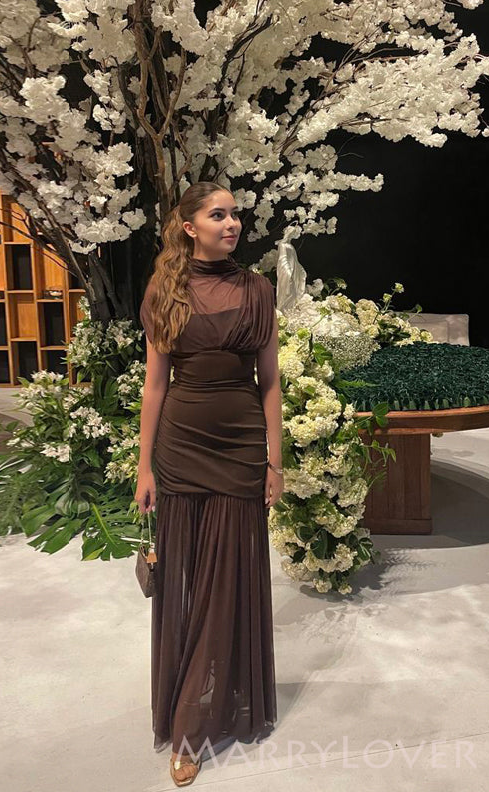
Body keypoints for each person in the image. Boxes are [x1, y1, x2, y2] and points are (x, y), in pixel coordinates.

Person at [135, 181, 283, 787]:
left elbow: (270, 382)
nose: (232, 224)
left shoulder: (257, 290)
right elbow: (155, 386)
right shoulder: (164, 290)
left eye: (235, 215)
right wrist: (144, 466)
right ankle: (194, 704)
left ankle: (193, 724)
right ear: (189, 226)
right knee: (189, 583)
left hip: (241, 446)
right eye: (218, 215)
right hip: (181, 447)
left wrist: (275, 461)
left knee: (227, 582)